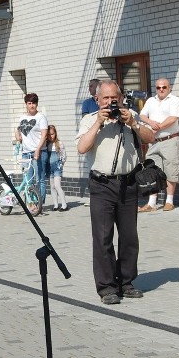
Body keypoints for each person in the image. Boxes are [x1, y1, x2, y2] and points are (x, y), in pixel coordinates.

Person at [76, 79, 154, 305]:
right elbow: (82, 148)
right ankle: (107, 287)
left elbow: (151, 138)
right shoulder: (89, 120)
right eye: (106, 98)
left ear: (120, 98)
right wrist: (98, 124)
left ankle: (127, 282)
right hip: (101, 185)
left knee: (129, 237)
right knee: (103, 238)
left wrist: (134, 124)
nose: (111, 102)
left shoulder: (130, 117)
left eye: (114, 98)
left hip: (128, 184)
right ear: (97, 100)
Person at [138, 77, 179, 212]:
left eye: (164, 87)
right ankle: (152, 204)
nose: (161, 89)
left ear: (169, 88)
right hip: (153, 142)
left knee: (170, 170)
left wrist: (159, 127)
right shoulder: (151, 101)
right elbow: (142, 115)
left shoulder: (174, 100)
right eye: (158, 87)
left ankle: (169, 201)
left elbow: (173, 118)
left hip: (169, 140)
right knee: (152, 171)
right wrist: (151, 123)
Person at [14, 92, 49, 207]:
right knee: (28, 180)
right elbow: (19, 130)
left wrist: (38, 150)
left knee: (40, 179)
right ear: (26, 104)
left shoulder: (41, 117)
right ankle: (31, 203)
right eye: (29, 103)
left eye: (34, 103)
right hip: (25, 153)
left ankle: (39, 204)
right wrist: (18, 139)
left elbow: (44, 135)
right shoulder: (23, 117)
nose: (32, 105)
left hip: (38, 151)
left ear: (37, 104)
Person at [46, 125, 68, 211]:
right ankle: (55, 205)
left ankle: (64, 205)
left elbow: (64, 155)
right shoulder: (46, 144)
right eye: (48, 134)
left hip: (57, 167)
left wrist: (61, 164)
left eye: (52, 134)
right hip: (49, 167)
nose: (51, 136)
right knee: (52, 187)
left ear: (55, 133)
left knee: (57, 185)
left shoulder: (59, 143)